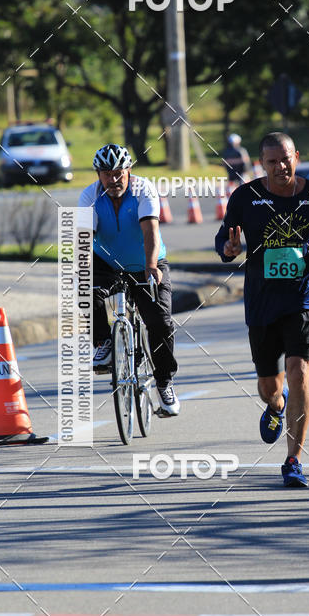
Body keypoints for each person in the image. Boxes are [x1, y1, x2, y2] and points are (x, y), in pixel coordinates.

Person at [215, 131, 309, 487]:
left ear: (297, 156)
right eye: (272, 161)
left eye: (286, 158)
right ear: (261, 164)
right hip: (261, 299)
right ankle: (277, 406)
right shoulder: (246, 196)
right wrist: (228, 249)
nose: (280, 166)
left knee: (299, 370)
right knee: (268, 385)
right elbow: (224, 237)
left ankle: (293, 461)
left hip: (305, 295)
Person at [79, 143, 180, 416]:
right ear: (98, 174)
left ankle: (164, 382)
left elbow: (150, 230)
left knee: (159, 322)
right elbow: (84, 242)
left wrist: (150, 266)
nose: (113, 180)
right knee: (84, 290)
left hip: (147, 261)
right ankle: (104, 343)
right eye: (107, 174)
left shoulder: (143, 190)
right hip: (108, 263)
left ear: (129, 171)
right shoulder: (89, 196)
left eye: (119, 174)